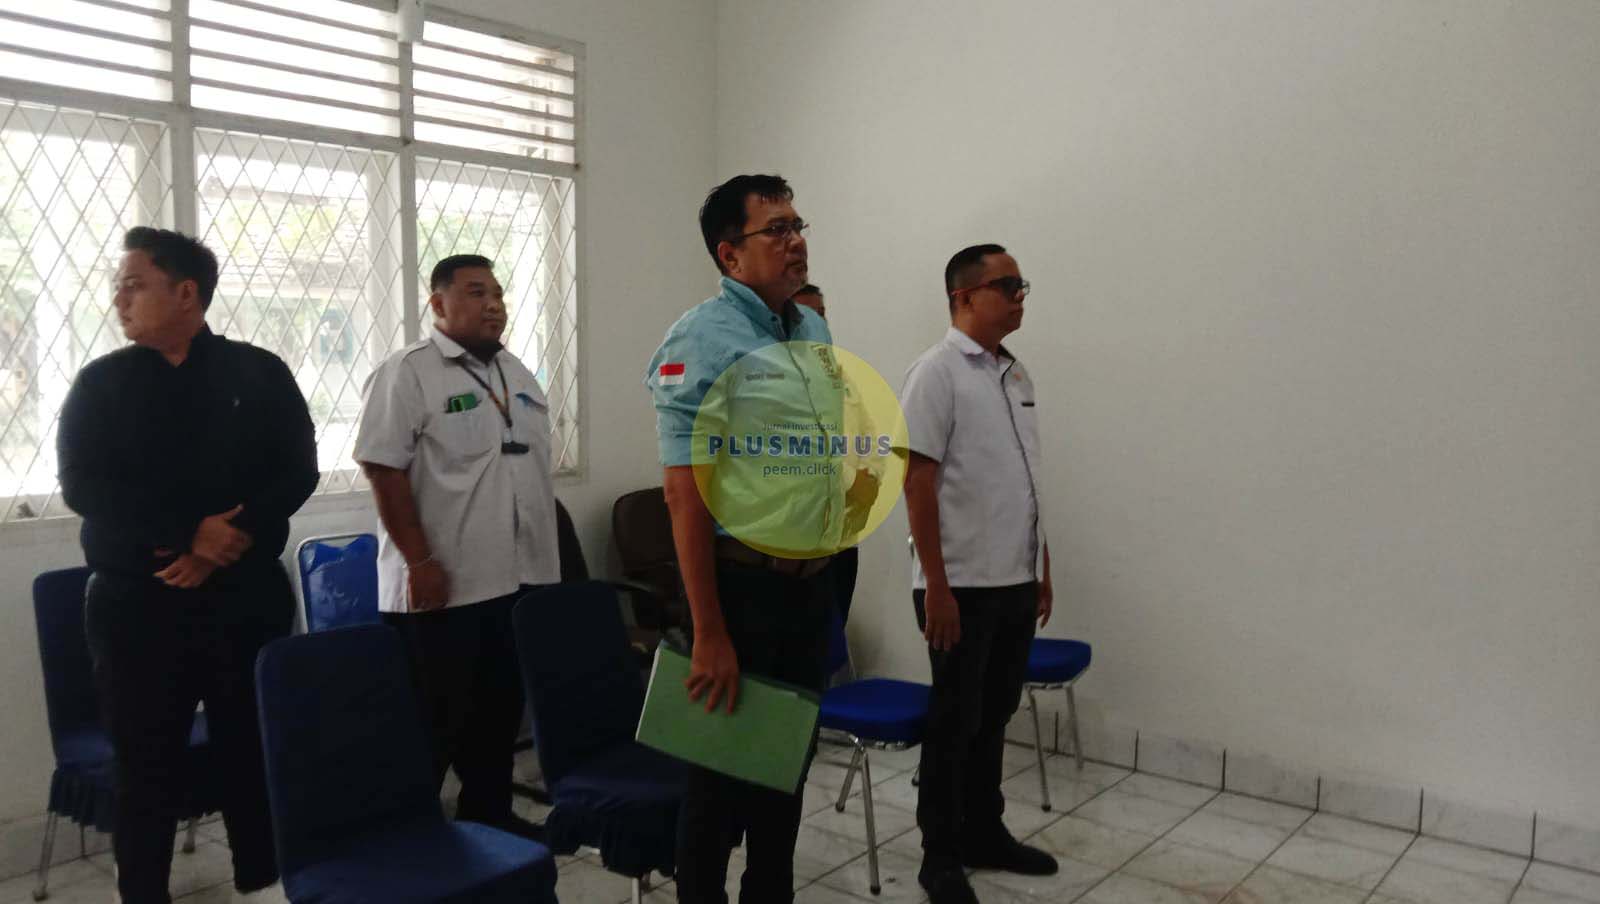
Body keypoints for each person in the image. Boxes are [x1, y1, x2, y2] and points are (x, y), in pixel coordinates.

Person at [58, 227, 318, 904]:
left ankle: (262, 884)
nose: (119, 298)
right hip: (135, 607)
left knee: (251, 751)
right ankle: (144, 892)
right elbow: (83, 486)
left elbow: (298, 471)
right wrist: (186, 535)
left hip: (245, 596)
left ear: (185, 293)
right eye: (117, 286)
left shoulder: (258, 373)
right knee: (144, 766)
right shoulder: (100, 384)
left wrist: (227, 540)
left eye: (133, 285)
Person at [645, 174, 843, 904]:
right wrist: (708, 631)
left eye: (798, 225)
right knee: (718, 784)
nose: (796, 242)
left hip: (808, 587)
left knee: (784, 774)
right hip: (742, 589)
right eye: (777, 230)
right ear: (730, 255)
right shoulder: (701, 339)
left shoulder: (811, 328)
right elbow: (685, 496)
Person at [354, 254, 555, 840]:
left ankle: (488, 818)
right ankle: (407, 838)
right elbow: (383, 468)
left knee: (496, 713)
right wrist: (420, 561)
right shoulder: (408, 372)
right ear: (438, 303)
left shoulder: (517, 373)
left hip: (515, 579)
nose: (494, 304)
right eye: (475, 292)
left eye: (498, 293)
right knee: (431, 723)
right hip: (441, 587)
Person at [899, 243, 1058, 904]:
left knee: (994, 717)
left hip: (1013, 580)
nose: (1020, 296)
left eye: (1023, 285)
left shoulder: (1014, 374)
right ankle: (939, 856)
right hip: (958, 586)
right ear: (963, 297)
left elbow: (1024, 480)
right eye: (1007, 285)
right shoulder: (935, 373)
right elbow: (917, 482)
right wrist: (935, 585)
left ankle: (985, 833)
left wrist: (1041, 565)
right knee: (954, 723)